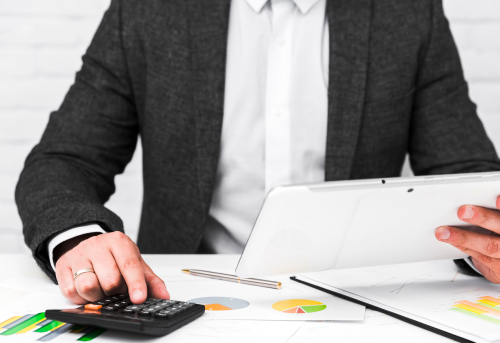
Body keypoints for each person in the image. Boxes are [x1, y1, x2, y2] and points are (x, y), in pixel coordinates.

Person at [15, 0, 500, 305]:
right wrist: (78, 237)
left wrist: (488, 244)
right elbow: (65, 159)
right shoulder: (146, 10)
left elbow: (463, 169)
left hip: (358, 300)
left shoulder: (409, 13)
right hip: (185, 295)